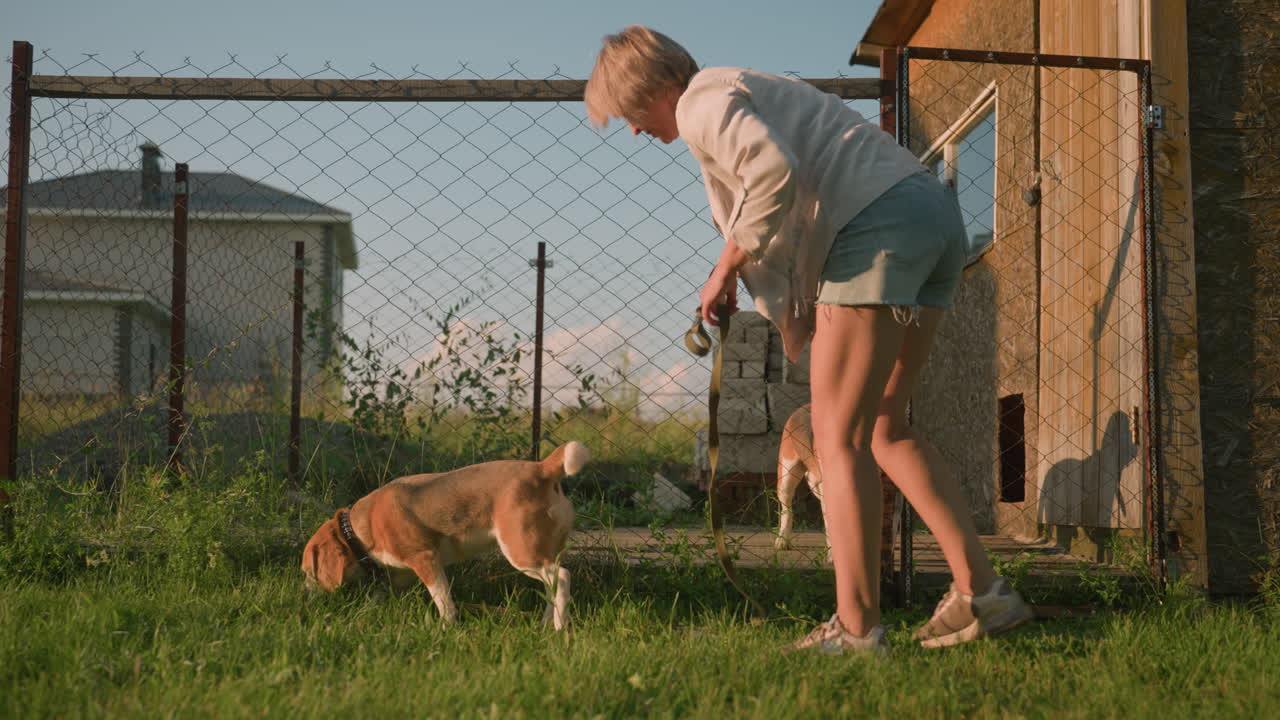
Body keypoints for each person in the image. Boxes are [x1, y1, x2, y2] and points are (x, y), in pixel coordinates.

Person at [584, 26, 1034, 655]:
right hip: (928, 218)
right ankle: (983, 592)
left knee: (837, 437)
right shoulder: (737, 94)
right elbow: (776, 208)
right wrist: (752, 285)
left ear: (651, 89)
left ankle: (855, 629)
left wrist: (722, 269)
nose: (633, 130)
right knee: (882, 427)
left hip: (875, 227)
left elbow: (772, 174)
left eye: (628, 114)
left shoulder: (699, 103)